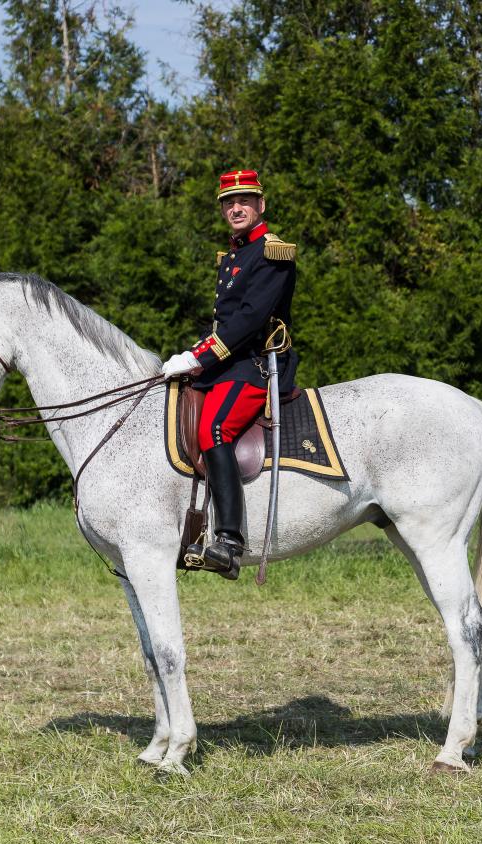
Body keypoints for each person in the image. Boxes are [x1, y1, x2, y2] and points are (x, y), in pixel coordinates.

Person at [162, 169, 297, 579]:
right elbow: (222, 320)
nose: (235, 208)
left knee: (213, 431)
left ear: (261, 205)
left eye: (243, 201)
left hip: (255, 363)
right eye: (228, 202)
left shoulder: (274, 254)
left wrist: (199, 357)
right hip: (228, 361)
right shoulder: (233, 256)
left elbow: (250, 321)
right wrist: (191, 353)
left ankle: (229, 541)